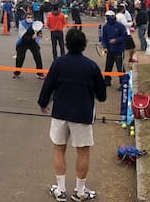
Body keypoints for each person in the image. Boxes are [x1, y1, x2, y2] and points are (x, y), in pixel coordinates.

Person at [38, 29, 106, 202]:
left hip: (60, 112)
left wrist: (43, 103)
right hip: (82, 114)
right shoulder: (91, 66)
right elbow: (102, 95)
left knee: (59, 148)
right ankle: (80, 191)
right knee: (83, 152)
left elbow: (48, 85)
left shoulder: (58, 63)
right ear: (84, 44)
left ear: (66, 43)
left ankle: (60, 190)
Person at [13, 12, 44, 79]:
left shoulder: (34, 23)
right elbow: (23, 37)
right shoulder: (22, 24)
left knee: (37, 56)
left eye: (31, 17)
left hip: (32, 43)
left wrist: (40, 34)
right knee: (20, 58)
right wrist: (31, 37)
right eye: (28, 17)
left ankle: (40, 73)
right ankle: (17, 73)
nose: (29, 19)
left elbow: (38, 29)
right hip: (22, 43)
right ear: (25, 18)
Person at [102, 10, 126, 88]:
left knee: (120, 67)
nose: (107, 18)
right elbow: (104, 38)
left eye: (109, 16)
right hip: (110, 50)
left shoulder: (120, 26)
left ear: (113, 16)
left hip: (119, 50)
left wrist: (116, 40)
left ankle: (123, 83)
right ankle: (107, 80)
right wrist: (105, 47)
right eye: (106, 17)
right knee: (108, 66)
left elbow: (124, 36)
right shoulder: (105, 27)